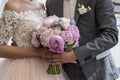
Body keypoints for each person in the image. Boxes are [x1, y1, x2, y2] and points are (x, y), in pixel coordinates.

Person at [46, 0, 120, 80]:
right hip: (65, 72)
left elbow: (111, 35)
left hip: (98, 70)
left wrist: (76, 55)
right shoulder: (51, 3)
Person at [0, 0, 69, 80]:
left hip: (45, 65)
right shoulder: (12, 5)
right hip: (21, 67)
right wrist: (38, 52)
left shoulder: (41, 5)